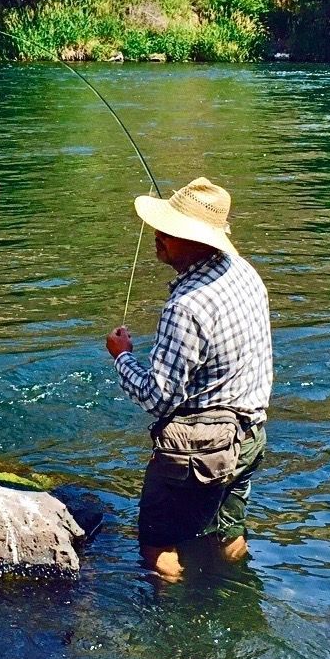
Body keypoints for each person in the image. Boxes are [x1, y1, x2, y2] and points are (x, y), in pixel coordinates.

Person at [105, 177, 273, 580]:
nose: (159, 236)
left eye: (172, 231)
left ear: (200, 240)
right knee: (228, 533)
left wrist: (122, 357)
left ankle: (172, 630)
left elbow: (157, 398)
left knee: (157, 545)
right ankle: (234, 595)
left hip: (198, 452)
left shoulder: (186, 306)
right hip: (250, 438)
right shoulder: (244, 273)